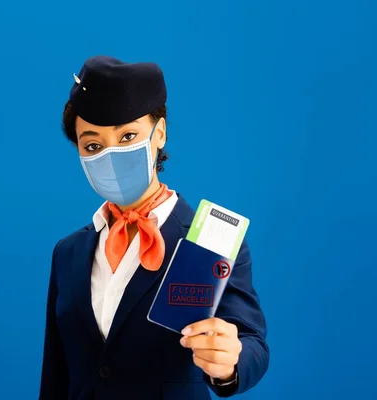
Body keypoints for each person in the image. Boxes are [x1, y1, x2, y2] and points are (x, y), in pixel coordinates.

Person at [39, 56, 269, 400]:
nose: (110, 154)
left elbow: (251, 341)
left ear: (159, 133)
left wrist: (229, 364)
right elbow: (56, 372)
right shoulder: (67, 252)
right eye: (93, 145)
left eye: (128, 135)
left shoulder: (210, 238)